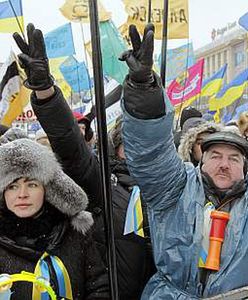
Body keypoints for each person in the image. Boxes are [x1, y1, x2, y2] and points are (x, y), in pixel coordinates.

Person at [13, 23, 155, 300]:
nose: (138, 151)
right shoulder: (102, 180)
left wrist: (144, 86)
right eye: (129, 144)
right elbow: (70, 146)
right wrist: (45, 92)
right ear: (116, 149)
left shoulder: (169, 188)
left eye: (144, 144)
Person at [120, 23, 248, 299]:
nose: (224, 164)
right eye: (215, 156)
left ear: (244, 168)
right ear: (200, 160)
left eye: (234, 158)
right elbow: (150, 152)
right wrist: (144, 92)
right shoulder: (175, 188)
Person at [0, 138, 109, 299]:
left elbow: (99, 287)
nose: (22, 194)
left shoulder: (74, 233)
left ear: (47, 189)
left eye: (32, 185)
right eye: (12, 186)